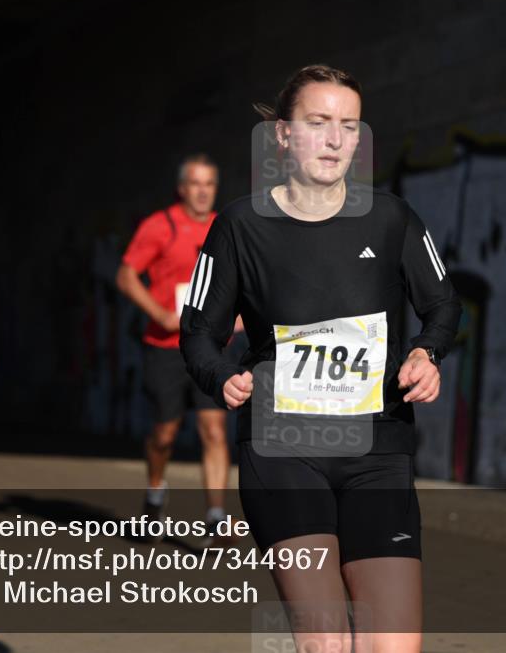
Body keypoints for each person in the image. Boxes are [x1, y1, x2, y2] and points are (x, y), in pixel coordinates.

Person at [180, 65, 462, 652]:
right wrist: (222, 377)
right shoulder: (240, 226)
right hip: (283, 450)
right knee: (326, 642)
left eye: (349, 125)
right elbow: (200, 332)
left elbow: (442, 304)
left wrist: (425, 352)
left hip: (377, 452)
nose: (335, 139)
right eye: (318, 122)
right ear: (283, 135)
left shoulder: (392, 219)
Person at [117, 153, 240, 545]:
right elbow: (126, 275)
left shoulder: (228, 228)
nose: (203, 192)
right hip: (166, 347)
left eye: (209, 184)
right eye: (195, 184)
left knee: (213, 430)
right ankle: (154, 495)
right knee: (165, 434)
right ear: (182, 188)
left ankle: (217, 519)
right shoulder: (160, 225)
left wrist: (238, 321)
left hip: (212, 349)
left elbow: (246, 286)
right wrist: (161, 313)